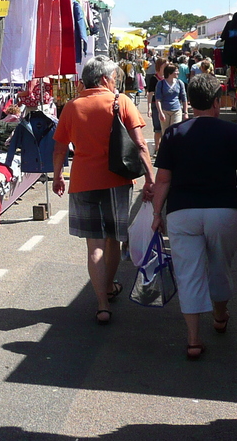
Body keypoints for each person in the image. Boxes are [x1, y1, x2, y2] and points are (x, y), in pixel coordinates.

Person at [151, 74, 237, 361]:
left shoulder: (173, 134)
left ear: (189, 103)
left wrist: (157, 213)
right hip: (224, 211)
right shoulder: (232, 132)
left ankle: (193, 339)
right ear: (218, 101)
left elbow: (163, 180)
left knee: (188, 273)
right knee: (220, 265)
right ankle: (219, 316)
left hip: (183, 212)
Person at [52, 56, 156, 325]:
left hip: (83, 182)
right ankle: (108, 288)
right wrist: (150, 177)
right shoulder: (120, 102)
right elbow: (140, 144)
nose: (116, 81)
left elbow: (60, 148)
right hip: (117, 181)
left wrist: (56, 177)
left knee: (94, 246)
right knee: (113, 239)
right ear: (103, 79)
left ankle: (101, 304)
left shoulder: (72, 107)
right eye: (113, 77)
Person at [152, 65, 186, 139]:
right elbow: (158, 99)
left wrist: (185, 112)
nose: (178, 72)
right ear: (170, 72)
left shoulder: (180, 83)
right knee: (165, 133)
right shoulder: (161, 84)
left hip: (176, 110)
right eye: (176, 71)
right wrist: (160, 113)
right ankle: (166, 149)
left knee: (175, 131)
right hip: (165, 111)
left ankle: (174, 149)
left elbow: (184, 98)